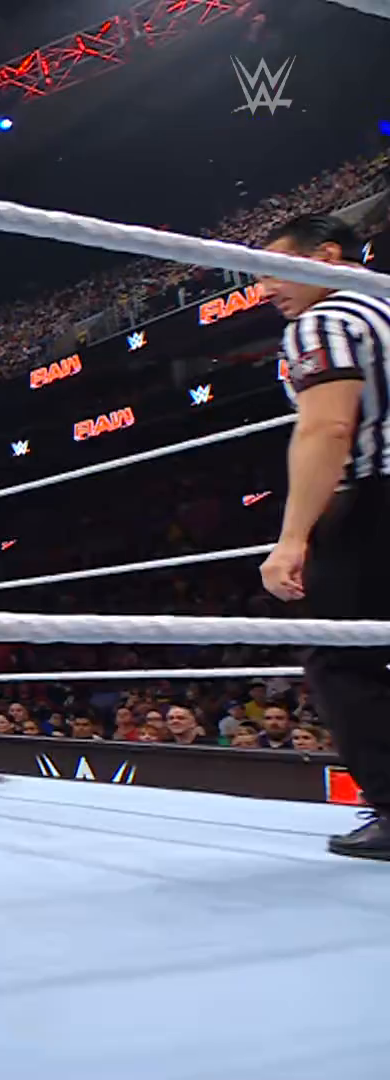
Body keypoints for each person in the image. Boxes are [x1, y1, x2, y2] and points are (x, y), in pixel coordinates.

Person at [256, 214, 390, 861]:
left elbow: (327, 429)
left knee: (339, 653)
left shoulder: (324, 321)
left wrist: (292, 538)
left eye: (275, 270)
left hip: (375, 496)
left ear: (327, 256)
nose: (264, 289)